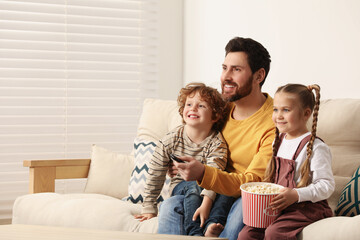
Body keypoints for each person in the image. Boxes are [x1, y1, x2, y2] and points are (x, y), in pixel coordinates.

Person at [158, 37, 276, 240]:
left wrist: (203, 173)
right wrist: (179, 163)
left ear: (259, 76)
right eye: (224, 68)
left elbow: (254, 181)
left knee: (242, 212)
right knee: (170, 205)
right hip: (205, 190)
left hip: (241, 193)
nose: (226, 77)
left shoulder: (274, 121)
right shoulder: (219, 108)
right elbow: (190, 137)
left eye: (236, 70)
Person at [134, 82, 234, 236]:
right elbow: (155, 173)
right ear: (182, 110)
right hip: (181, 187)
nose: (193, 108)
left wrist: (206, 204)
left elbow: (215, 175)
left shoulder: (217, 143)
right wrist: (149, 208)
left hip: (209, 189)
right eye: (189, 104)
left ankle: (212, 225)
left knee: (228, 191)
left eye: (201, 106)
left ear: (215, 115)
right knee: (193, 185)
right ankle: (195, 234)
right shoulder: (170, 140)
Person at [238, 84, 335, 240]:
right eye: (275, 109)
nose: (279, 116)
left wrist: (296, 194)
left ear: (306, 114)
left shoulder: (316, 147)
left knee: (274, 232)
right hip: (280, 205)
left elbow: (326, 186)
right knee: (246, 234)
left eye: (286, 110)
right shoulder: (278, 142)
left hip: (306, 207)